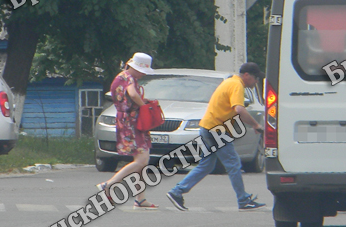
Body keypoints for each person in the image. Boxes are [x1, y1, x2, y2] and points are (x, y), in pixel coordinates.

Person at [165, 62, 267, 212]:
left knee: (206, 165)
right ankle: (243, 200)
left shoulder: (230, 82)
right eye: (255, 78)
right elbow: (239, 109)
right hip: (217, 131)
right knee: (233, 163)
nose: (256, 82)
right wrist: (255, 125)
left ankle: (177, 191)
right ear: (246, 75)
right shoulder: (237, 85)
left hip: (208, 127)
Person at [97, 52, 159, 209]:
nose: (144, 74)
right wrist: (144, 106)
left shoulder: (121, 77)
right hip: (132, 123)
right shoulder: (128, 78)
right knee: (142, 160)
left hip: (128, 122)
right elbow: (132, 93)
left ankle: (140, 198)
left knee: (140, 163)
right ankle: (109, 184)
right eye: (143, 71)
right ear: (136, 68)